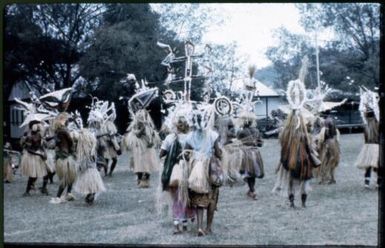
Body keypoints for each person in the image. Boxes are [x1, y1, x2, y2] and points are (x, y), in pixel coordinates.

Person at [185, 107, 222, 236]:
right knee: (212, 197)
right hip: (209, 167)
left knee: (198, 196)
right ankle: (209, 227)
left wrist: (194, 157)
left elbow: (185, 153)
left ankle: (200, 227)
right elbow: (218, 153)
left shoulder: (190, 136)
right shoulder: (213, 135)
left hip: (195, 168)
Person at [160, 116, 195, 234]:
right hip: (189, 170)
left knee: (176, 198)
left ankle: (176, 224)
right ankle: (185, 223)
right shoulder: (191, 137)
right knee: (187, 196)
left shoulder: (169, 138)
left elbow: (161, 154)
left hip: (173, 171)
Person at [123, 109, 160, 188]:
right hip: (139, 147)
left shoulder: (148, 125)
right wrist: (141, 128)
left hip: (147, 147)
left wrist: (151, 140)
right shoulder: (136, 125)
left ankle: (146, 180)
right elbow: (138, 135)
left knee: (147, 163)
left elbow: (151, 135)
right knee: (139, 163)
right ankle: (140, 179)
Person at [50, 113, 78, 204]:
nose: (67, 122)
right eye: (66, 120)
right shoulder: (64, 131)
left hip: (60, 157)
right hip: (66, 157)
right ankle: (58, 197)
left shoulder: (57, 132)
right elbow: (70, 142)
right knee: (67, 178)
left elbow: (56, 144)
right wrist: (74, 151)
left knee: (70, 177)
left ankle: (68, 193)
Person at [236, 111, 264, 199]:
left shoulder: (241, 132)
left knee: (247, 173)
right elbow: (260, 144)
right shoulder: (256, 131)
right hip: (256, 153)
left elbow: (237, 141)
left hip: (246, 153)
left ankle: (252, 191)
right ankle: (251, 190)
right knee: (252, 173)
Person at [74, 128, 106, 205]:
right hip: (90, 168)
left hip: (89, 168)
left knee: (93, 186)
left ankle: (90, 196)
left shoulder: (88, 149)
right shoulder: (86, 149)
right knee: (93, 186)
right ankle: (90, 196)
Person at [20, 120, 49, 196]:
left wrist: (44, 152)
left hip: (39, 154)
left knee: (47, 172)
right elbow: (29, 150)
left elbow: (40, 145)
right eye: (39, 126)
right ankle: (27, 191)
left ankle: (44, 188)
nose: (41, 127)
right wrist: (39, 155)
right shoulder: (29, 137)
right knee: (33, 175)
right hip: (32, 156)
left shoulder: (39, 135)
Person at [356, 107, 380, 188]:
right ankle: (378, 183)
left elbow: (365, 138)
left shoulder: (366, 126)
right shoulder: (377, 124)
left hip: (368, 146)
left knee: (368, 165)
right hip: (377, 146)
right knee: (378, 165)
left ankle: (367, 182)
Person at [316, 115, 340, 184]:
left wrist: (320, 143)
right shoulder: (333, 121)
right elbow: (336, 134)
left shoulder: (326, 122)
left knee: (324, 162)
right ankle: (332, 178)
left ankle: (323, 179)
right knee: (332, 161)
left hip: (327, 144)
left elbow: (324, 135)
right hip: (334, 143)